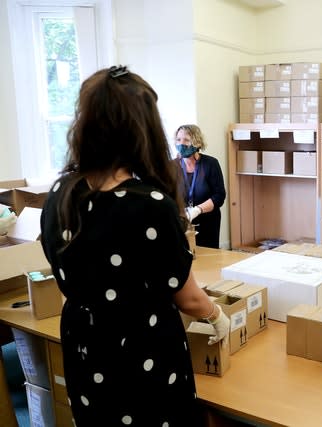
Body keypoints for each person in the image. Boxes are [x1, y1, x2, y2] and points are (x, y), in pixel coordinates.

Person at [39, 66, 230, 426]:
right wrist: (217, 316)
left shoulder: (59, 194)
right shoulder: (148, 203)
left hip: (85, 349)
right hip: (141, 356)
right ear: (141, 130)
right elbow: (187, 296)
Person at [174, 124, 226, 249]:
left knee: (208, 259)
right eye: (178, 140)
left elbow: (219, 196)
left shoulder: (210, 164)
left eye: (186, 140)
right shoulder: (172, 166)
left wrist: (197, 210)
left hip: (208, 222)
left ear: (197, 143)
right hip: (182, 223)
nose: (182, 144)